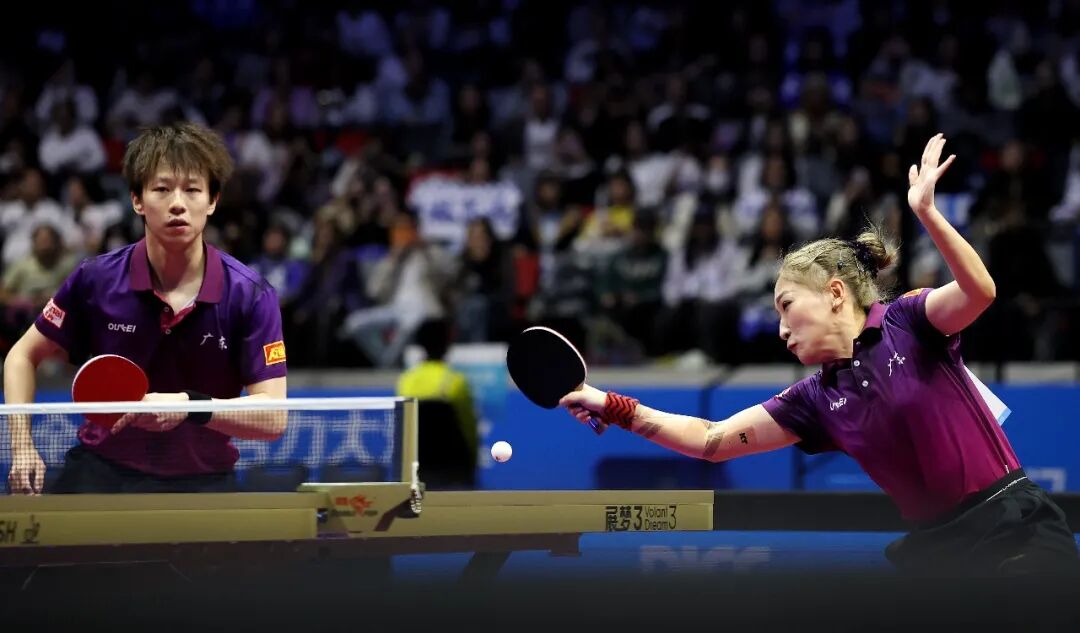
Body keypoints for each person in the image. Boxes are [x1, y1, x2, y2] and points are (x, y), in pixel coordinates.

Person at [560, 134, 1078, 576]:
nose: (781, 329)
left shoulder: (906, 322)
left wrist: (927, 214)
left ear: (834, 293)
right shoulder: (815, 399)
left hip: (1012, 530)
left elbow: (979, 292)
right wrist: (611, 404)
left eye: (787, 306)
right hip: (937, 552)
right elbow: (711, 440)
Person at [4, 121, 288, 495]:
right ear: (137, 200)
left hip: (203, 481)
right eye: (162, 189)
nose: (177, 204)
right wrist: (22, 447)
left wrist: (189, 406)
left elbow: (273, 417)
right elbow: (22, 355)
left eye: (192, 190)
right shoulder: (97, 279)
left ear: (212, 201)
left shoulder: (250, 295)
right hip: (101, 472)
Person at [396, 318, 478, 487]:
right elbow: (468, 428)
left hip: (418, 468)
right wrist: (473, 462)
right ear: (447, 344)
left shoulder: (406, 381)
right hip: (454, 467)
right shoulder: (456, 381)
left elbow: (404, 430)